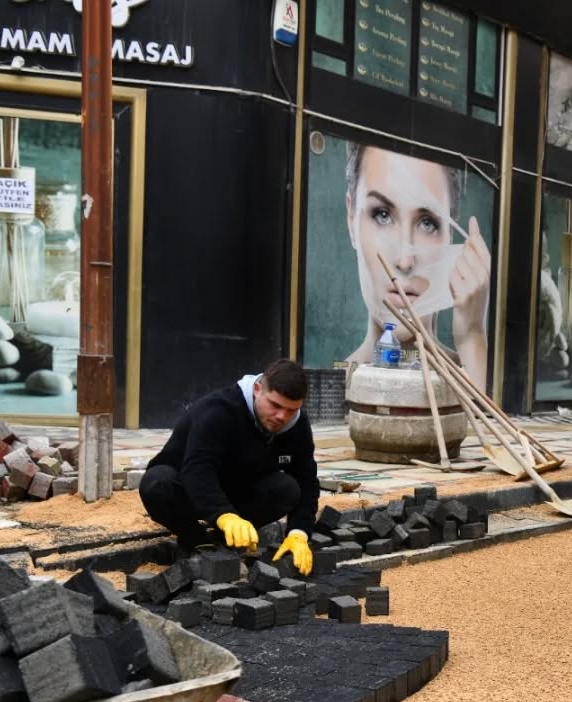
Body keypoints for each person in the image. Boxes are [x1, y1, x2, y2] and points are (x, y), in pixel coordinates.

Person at [140, 359, 319, 576]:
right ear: (257, 389)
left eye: (292, 410)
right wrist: (224, 515)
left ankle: (225, 541)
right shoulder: (218, 410)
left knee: (287, 489)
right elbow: (198, 469)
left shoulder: (297, 424)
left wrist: (299, 533)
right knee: (156, 484)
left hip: (238, 489)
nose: (282, 417)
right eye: (275, 405)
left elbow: (307, 480)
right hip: (188, 487)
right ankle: (196, 540)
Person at [343, 143, 491, 390]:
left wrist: (472, 337)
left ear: (450, 235)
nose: (404, 261)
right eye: (382, 215)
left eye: (427, 223)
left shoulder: (469, 370)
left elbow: (480, 427)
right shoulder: (329, 392)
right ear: (351, 220)